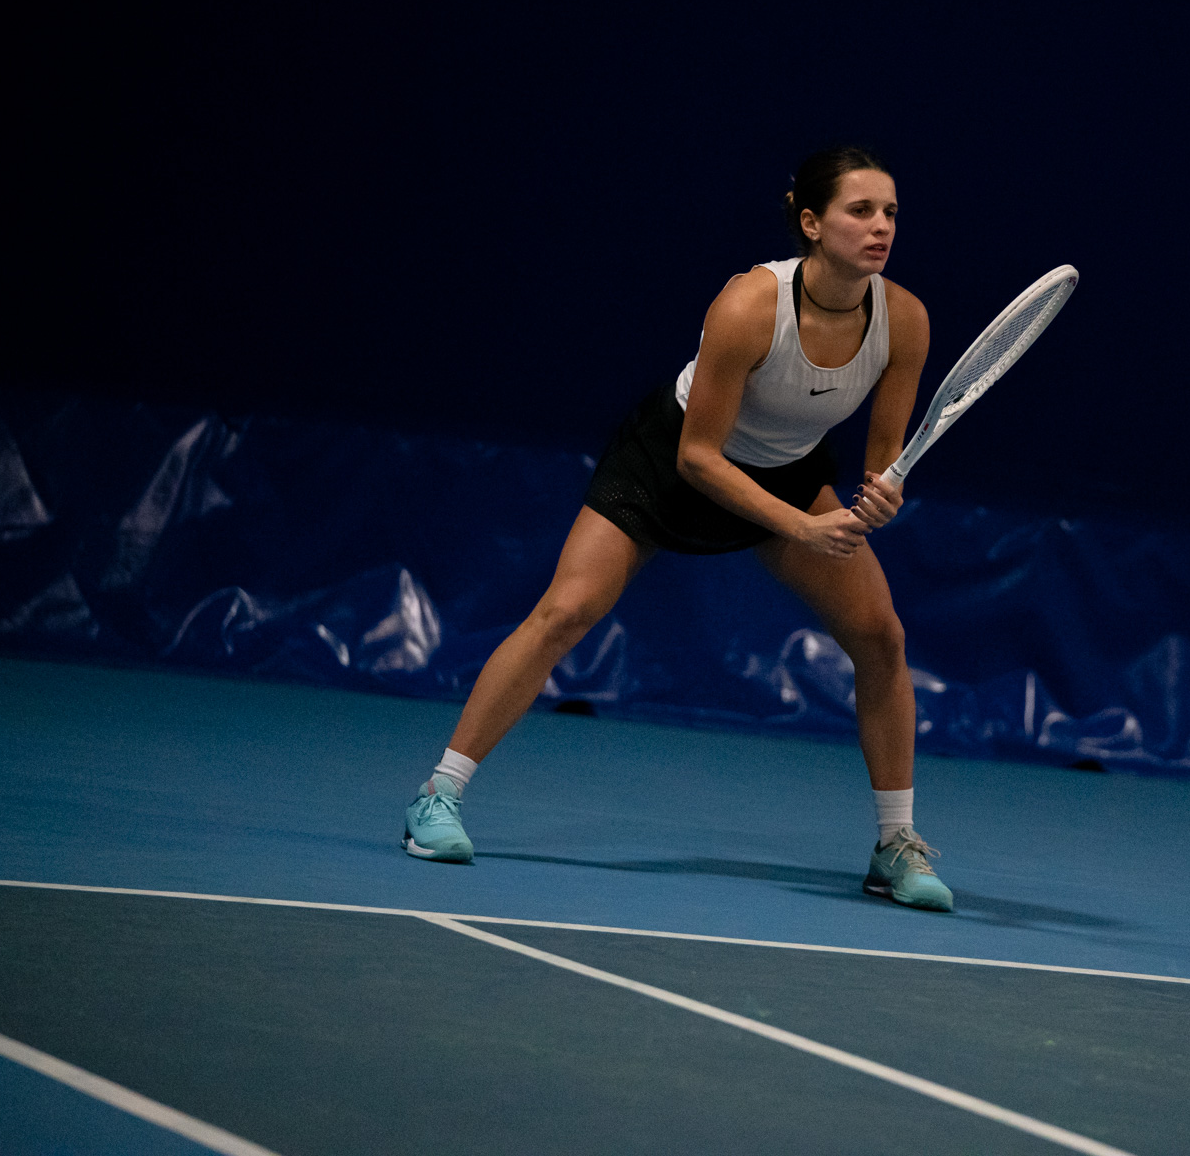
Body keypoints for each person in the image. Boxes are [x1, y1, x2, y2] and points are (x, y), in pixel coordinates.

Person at [400, 146, 952, 911]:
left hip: (787, 470)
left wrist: (883, 494)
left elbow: (882, 463)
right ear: (810, 223)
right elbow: (698, 456)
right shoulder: (749, 306)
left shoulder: (905, 321)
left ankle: (895, 842)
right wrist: (801, 526)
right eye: (860, 210)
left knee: (881, 637)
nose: (881, 226)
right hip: (671, 462)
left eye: (890, 211)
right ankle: (437, 795)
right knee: (567, 610)